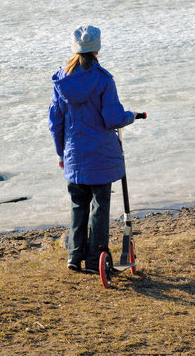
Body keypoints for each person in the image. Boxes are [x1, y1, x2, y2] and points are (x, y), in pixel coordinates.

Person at [48, 24, 135, 274]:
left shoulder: (61, 80)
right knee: (100, 203)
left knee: (78, 204)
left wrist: (60, 153)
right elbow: (113, 118)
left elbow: (55, 123)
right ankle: (96, 256)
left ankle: (74, 256)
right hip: (100, 155)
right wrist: (131, 116)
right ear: (97, 49)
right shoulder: (103, 79)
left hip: (74, 154)